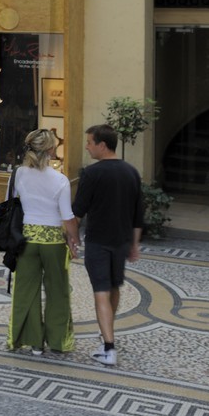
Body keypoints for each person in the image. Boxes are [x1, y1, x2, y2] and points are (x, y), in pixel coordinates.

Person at [73, 124, 145, 367]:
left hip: (98, 243)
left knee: (100, 291)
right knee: (114, 287)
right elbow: (138, 215)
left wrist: (71, 238)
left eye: (89, 142)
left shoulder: (91, 174)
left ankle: (109, 348)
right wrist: (134, 245)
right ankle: (107, 334)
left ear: (102, 145)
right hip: (121, 242)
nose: (87, 146)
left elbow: (78, 212)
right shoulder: (132, 172)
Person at [7, 128, 78, 357]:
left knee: (26, 291)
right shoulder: (60, 180)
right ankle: (57, 342)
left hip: (26, 239)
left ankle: (32, 342)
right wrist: (74, 240)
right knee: (58, 291)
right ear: (50, 149)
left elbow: (8, 203)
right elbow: (67, 216)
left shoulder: (17, 174)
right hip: (54, 241)